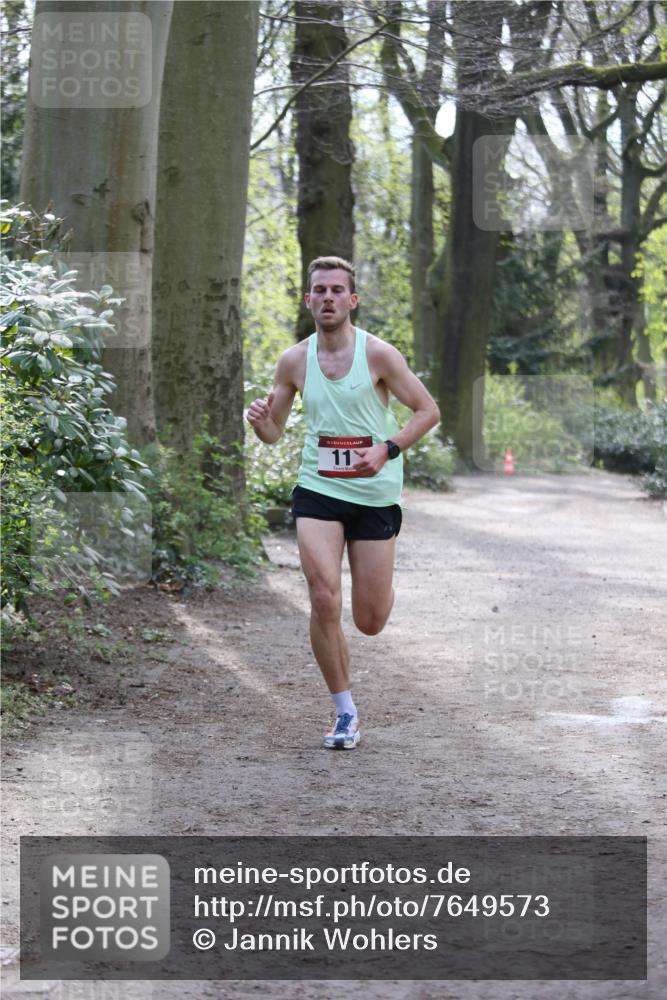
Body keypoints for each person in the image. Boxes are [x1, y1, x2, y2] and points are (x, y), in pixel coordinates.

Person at [246, 256, 440, 749]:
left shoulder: (379, 356)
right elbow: (274, 433)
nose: (327, 297)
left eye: (337, 290)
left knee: (369, 620)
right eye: (319, 290)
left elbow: (427, 410)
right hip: (319, 490)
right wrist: (260, 420)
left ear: (351, 300)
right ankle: (344, 711)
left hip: (374, 493)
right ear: (308, 299)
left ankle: (380, 587)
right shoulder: (294, 360)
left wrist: (387, 448)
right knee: (323, 596)